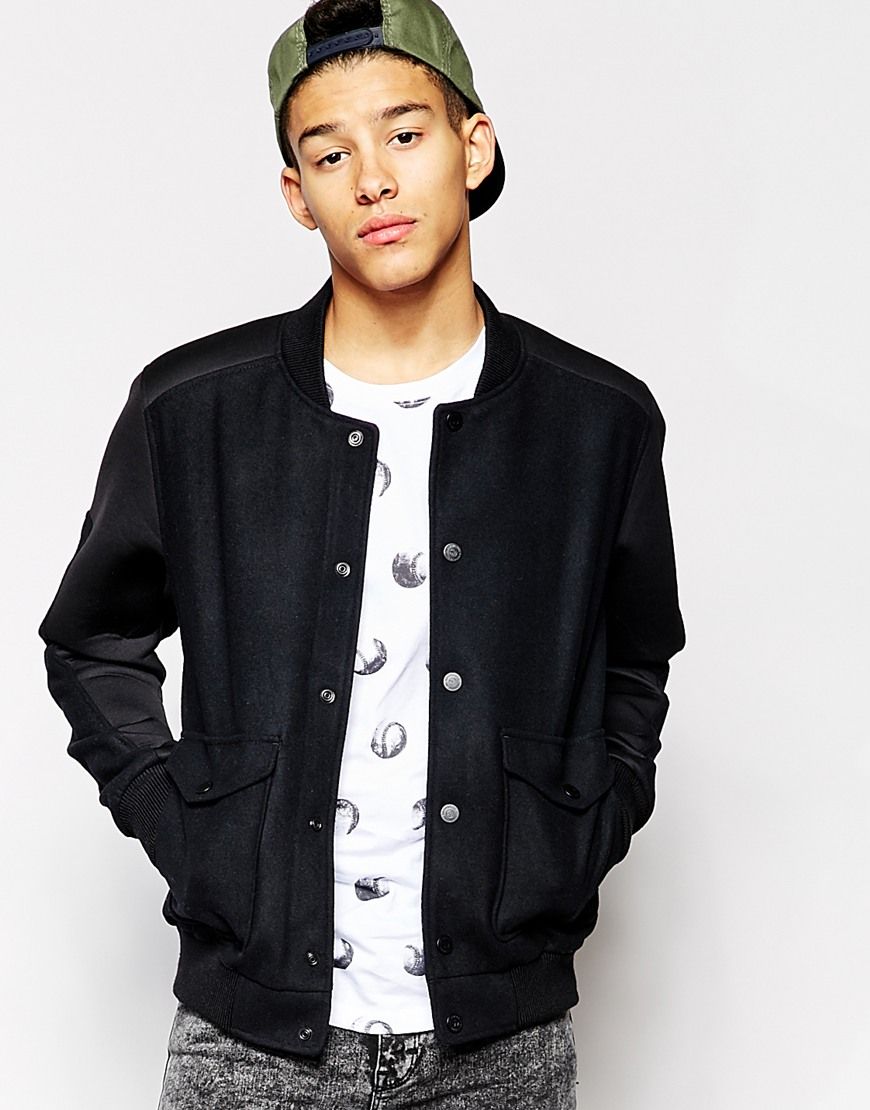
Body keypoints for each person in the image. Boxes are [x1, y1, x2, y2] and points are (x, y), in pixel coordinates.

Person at [37, 0, 687, 1106]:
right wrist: (189, 823)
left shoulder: (597, 423)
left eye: (405, 134)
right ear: (299, 193)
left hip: (504, 1045)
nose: (373, 180)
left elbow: (635, 660)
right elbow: (92, 640)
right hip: (248, 1043)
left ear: (473, 146)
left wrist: (578, 831)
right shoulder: (190, 410)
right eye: (330, 154)